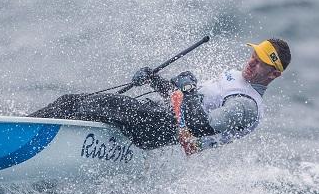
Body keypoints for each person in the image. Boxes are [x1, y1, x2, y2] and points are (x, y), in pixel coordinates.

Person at [29, 38, 291, 155]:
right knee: (76, 110)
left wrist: (187, 92)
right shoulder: (237, 78)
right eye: (253, 57)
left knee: (70, 103)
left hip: (155, 126)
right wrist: (154, 80)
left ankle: (15, 129)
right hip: (154, 118)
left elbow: (198, 127)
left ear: (274, 75)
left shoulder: (245, 106)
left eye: (260, 63)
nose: (251, 63)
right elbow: (180, 101)